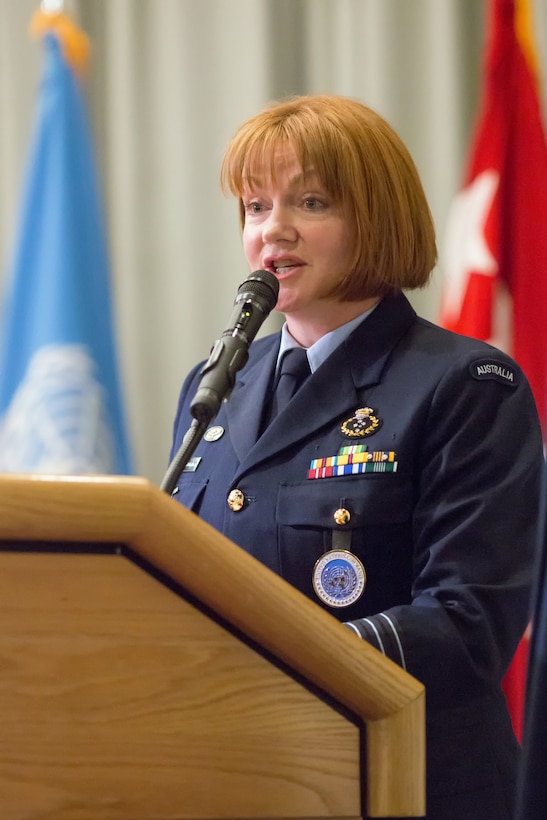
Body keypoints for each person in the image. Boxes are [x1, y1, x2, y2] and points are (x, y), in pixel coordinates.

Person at [167, 94, 543, 820]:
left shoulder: (463, 386)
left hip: (399, 785)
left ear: (375, 217)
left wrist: (268, 670)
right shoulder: (213, 388)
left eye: (309, 201)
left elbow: (467, 626)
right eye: (253, 206)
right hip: (239, 778)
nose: (272, 229)